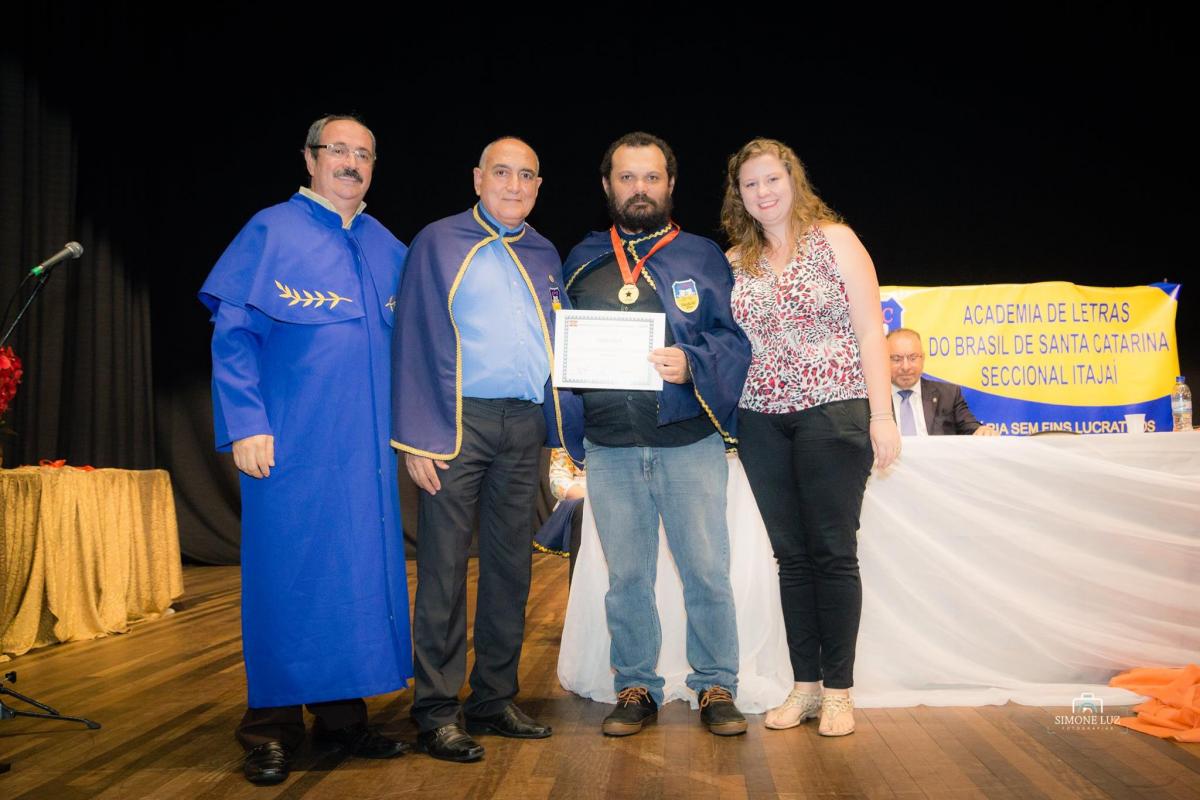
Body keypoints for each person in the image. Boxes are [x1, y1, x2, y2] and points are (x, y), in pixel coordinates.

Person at [200, 114, 412, 786]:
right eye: (338, 150)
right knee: (286, 581)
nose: (351, 162)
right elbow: (233, 336)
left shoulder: (386, 245)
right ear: (310, 158)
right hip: (290, 445)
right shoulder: (270, 231)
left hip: (365, 455)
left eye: (364, 154)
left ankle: (343, 719)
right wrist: (245, 424)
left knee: (352, 580)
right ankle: (269, 729)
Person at [390, 137, 583, 763]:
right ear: (478, 178)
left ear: (538, 186)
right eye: (502, 172)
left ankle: (494, 699)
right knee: (443, 570)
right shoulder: (437, 241)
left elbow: (558, 342)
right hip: (456, 423)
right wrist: (418, 435)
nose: (514, 184)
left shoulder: (544, 251)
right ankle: (436, 711)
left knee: (510, 568)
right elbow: (413, 336)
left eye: (527, 175)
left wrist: (562, 432)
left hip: (523, 425)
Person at [562, 132, 752, 737]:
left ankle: (716, 683)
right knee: (626, 579)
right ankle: (636, 685)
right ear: (607, 185)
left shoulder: (701, 255)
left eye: (651, 177)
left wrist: (692, 361)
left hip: (688, 443)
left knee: (706, 572)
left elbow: (732, 340)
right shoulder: (582, 258)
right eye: (627, 177)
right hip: (610, 446)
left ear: (670, 184)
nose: (639, 188)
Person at [721, 138, 900, 737]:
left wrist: (882, 416)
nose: (763, 192)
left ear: (793, 180)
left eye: (772, 179)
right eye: (750, 184)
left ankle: (840, 692)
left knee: (832, 552)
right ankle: (804, 688)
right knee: (791, 558)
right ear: (739, 196)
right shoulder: (733, 262)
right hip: (761, 419)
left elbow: (871, 332)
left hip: (834, 410)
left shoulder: (836, 241)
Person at [888, 328, 998, 435]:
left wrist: (982, 431)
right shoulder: (877, 399)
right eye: (897, 359)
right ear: (883, 360)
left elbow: (970, 428)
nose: (906, 367)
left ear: (923, 359)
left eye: (913, 358)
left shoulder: (949, 395)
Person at [533, 448, 586, 583]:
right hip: (583, 499)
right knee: (582, 511)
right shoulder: (567, 436)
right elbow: (558, 482)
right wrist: (596, 499)